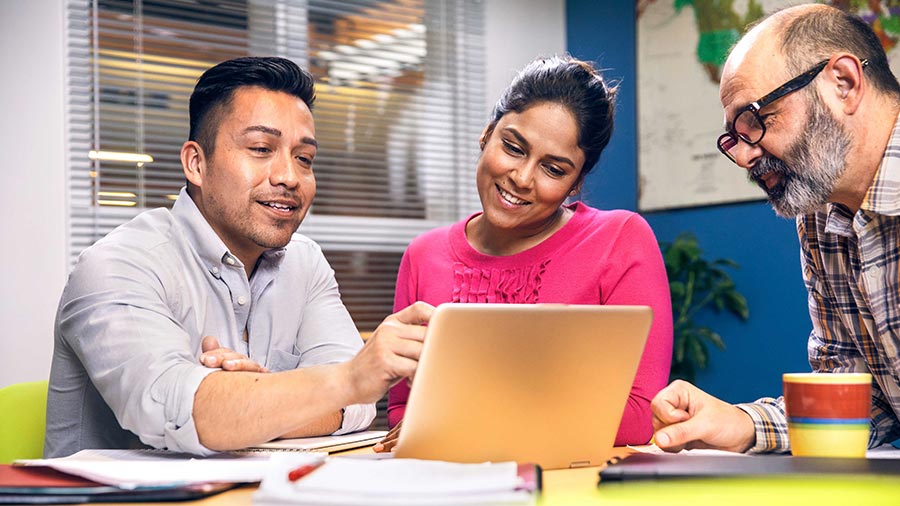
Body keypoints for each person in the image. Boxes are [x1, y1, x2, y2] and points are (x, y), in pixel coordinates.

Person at [44, 56, 433, 458]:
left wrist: (249, 401)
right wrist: (329, 386)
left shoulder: (305, 261)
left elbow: (357, 407)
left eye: (304, 159)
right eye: (262, 148)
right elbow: (183, 413)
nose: (289, 177)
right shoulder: (117, 265)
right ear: (197, 163)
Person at [375, 55, 674, 452]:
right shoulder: (423, 255)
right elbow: (402, 411)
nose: (522, 177)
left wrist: (464, 421)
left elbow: (638, 415)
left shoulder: (620, 239)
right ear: (486, 134)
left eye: (553, 170)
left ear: (575, 184)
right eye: (514, 148)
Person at [651, 3, 900, 454]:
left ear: (843, 84)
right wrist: (743, 423)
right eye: (735, 137)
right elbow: (865, 404)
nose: (746, 157)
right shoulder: (820, 218)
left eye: (756, 120)